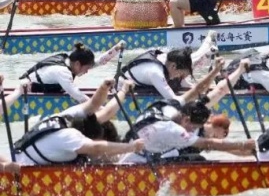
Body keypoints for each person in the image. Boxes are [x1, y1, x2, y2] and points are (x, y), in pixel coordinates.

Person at [13, 79, 145, 166]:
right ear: (87, 137)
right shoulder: (71, 136)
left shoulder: (67, 117)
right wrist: (130, 147)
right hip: (22, 168)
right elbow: (97, 148)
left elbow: (99, 107)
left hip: (16, 154)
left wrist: (109, 88)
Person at [119, 93, 255, 165]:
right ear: (186, 120)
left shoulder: (169, 109)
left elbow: (197, 90)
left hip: (130, 152)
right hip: (138, 163)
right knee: (198, 160)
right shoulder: (176, 131)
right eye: (193, 127)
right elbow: (209, 143)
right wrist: (242, 144)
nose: (192, 131)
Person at [19, 42, 122, 104]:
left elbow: (99, 62)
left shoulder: (69, 61)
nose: (87, 72)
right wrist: (101, 108)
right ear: (77, 64)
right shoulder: (63, 72)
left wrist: (116, 49)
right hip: (27, 94)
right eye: (86, 69)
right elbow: (78, 96)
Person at [119, 44, 217, 102]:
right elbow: (174, 100)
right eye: (181, 74)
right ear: (173, 66)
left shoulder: (167, 59)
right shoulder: (156, 73)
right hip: (123, 88)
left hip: (140, 84)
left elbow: (185, 85)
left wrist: (205, 89)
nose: (180, 77)